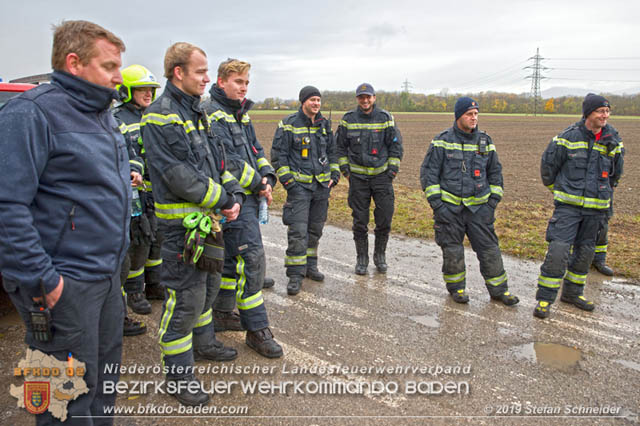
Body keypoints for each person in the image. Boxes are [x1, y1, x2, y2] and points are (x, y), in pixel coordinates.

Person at [0, 20, 128, 423]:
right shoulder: (32, 113)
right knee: (63, 402)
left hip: (106, 279)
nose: (118, 76)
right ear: (74, 62)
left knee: (104, 387)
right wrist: (44, 281)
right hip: (63, 286)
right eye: (109, 66)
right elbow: (7, 205)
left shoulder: (101, 114)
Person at [141, 42, 243, 406]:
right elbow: (178, 175)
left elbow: (219, 162)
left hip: (208, 223)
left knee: (208, 290)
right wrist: (224, 199)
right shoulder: (160, 115)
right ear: (178, 72)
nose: (206, 78)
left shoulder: (198, 112)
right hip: (180, 231)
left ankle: (204, 345)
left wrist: (234, 193)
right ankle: (178, 375)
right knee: (184, 301)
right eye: (200, 71)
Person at [201, 58, 283, 357]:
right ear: (221, 82)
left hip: (247, 195)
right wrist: (258, 184)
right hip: (230, 198)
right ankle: (256, 329)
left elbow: (255, 150)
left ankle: (223, 313)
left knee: (231, 259)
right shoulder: (212, 113)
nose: (243, 87)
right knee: (251, 260)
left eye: (247, 82)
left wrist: (268, 176)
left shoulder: (241, 115)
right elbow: (229, 161)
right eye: (238, 82)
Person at [420, 97, 519, 306]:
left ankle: (500, 291)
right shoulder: (442, 140)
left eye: (476, 114)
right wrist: (438, 206)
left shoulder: (485, 141)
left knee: (490, 249)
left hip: (479, 210)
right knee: (452, 251)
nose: (474, 118)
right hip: (450, 210)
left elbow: (495, 174)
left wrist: (492, 202)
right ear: (458, 117)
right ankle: (457, 289)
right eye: (469, 114)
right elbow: (429, 175)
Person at [534, 94, 624, 319]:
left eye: (607, 111)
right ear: (588, 114)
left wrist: (602, 194)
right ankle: (545, 299)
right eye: (600, 111)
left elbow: (616, 174)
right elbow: (548, 171)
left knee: (585, 254)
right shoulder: (567, 138)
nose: (605, 115)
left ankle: (573, 294)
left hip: (596, 211)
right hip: (568, 209)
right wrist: (562, 192)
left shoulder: (612, 139)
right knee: (558, 252)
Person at [271, 86, 339, 296]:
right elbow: (278, 155)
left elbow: (333, 153)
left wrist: (334, 176)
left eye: (318, 100)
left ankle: (310, 267)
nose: (316, 104)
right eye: (312, 100)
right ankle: (295, 275)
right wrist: (288, 181)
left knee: (314, 231)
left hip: (321, 187)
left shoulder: (325, 125)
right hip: (299, 188)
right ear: (303, 102)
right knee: (298, 232)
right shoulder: (288, 124)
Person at [113, 64, 162, 336]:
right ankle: (135, 293)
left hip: (156, 193)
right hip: (135, 195)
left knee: (155, 241)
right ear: (126, 91)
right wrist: (135, 171)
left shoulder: (152, 116)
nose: (148, 94)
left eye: (151, 89)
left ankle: (154, 286)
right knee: (137, 245)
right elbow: (127, 153)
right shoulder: (118, 119)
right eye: (142, 88)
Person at [336, 83, 403, 274]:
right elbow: (339, 147)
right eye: (361, 97)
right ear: (357, 99)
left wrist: (391, 172)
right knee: (359, 221)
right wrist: (345, 171)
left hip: (382, 178)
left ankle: (379, 256)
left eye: (368, 97)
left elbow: (396, 147)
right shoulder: (348, 119)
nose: (365, 100)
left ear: (374, 98)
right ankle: (362, 258)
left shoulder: (386, 118)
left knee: (384, 219)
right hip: (357, 180)